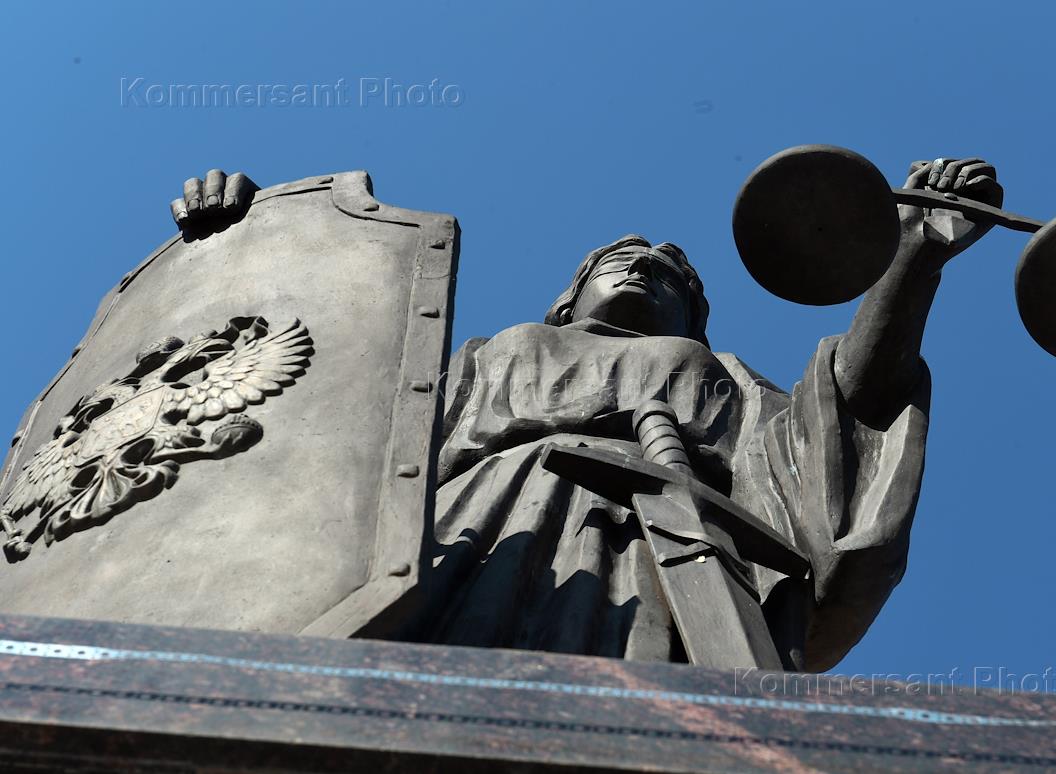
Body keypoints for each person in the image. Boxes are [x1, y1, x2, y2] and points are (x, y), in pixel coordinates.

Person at [173, 157, 1001, 671]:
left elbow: (848, 418)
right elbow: (311, 425)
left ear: (692, 322)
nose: (643, 270)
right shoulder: (483, 354)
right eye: (620, 261)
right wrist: (245, 241)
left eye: (668, 277)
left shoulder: (723, 379)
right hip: (464, 528)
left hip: (661, 545)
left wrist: (913, 256)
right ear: (568, 299)